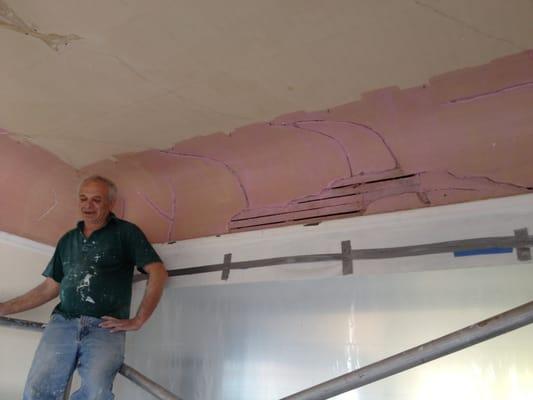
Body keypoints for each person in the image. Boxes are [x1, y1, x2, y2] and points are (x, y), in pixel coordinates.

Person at [0, 175, 168, 400]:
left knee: (96, 392)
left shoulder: (126, 233)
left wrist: (139, 320)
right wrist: (3, 308)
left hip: (105, 326)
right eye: (83, 198)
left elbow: (157, 271)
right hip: (63, 322)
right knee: (39, 388)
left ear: (110, 203)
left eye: (96, 200)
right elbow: (49, 288)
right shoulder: (68, 240)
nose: (88, 205)